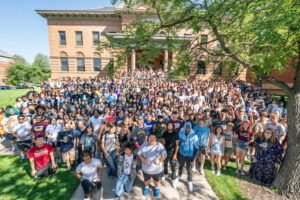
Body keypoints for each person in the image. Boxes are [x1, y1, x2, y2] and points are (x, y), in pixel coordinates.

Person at [138, 133, 167, 197]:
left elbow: (164, 156)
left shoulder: (160, 146)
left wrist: (159, 160)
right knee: (146, 180)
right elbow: (139, 154)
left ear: (156, 139)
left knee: (156, 180)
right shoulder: (143, 145)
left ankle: (156, 188)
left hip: (156, 169)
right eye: (150, 138)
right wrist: (143, 159)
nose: (152, 139)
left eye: (154, 138)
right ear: (148, 138)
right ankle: (146, 187)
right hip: (146, 169)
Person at [177, 122, 198, 192]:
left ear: (190, 128)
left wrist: (194, 157)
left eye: (189, 127)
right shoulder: (181, 134)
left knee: (189, 168)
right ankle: (179, 175)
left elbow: (196, 147)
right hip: (181, 153)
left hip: (190, 155)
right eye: (186, 127)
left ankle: (189, 181)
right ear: (184, 127)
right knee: (181, 165)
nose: (187, 128)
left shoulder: (194, 136)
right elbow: (178, 143)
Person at [161, 122, 179, 188]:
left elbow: (177, 145)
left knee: (173, 166)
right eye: (168, 125)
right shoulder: (165, 133)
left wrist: (175, 154)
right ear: (167, 126)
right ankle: (165, 174)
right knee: (165, 164)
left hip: (173, 152)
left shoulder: (175, 134)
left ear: (173, 126)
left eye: (171, 125)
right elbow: (163, 142)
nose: (169, 126)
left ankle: (173, 179)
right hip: (165, 152)